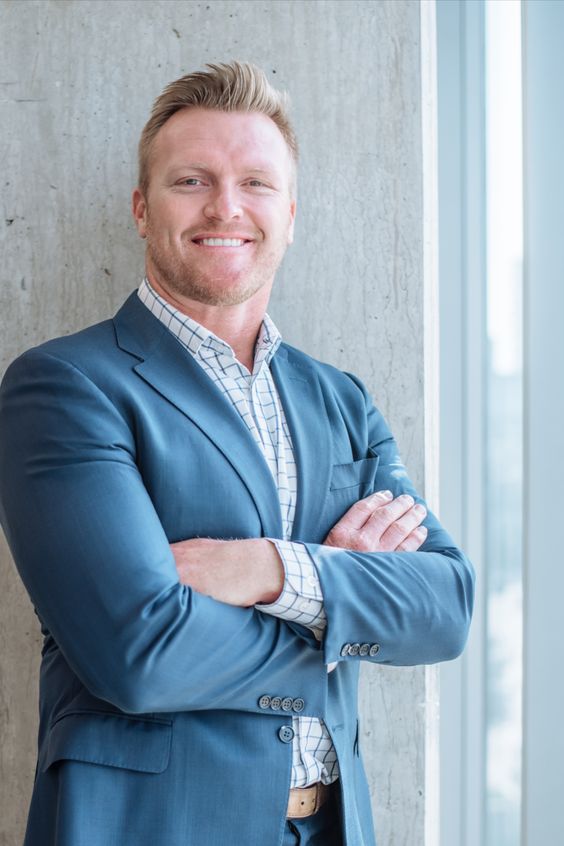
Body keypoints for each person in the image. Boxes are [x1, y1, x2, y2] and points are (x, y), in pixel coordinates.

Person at [0, 62, 473, 846]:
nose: (227, 206)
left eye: (256, 183)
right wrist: (343, 603)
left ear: (290, 213)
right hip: (151, 828)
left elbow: (445, 607)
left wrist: (270, 571)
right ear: (142, 209)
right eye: (192, 180)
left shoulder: (341, 400)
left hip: (329, 827)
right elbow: (140, 655)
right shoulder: (66, 386)